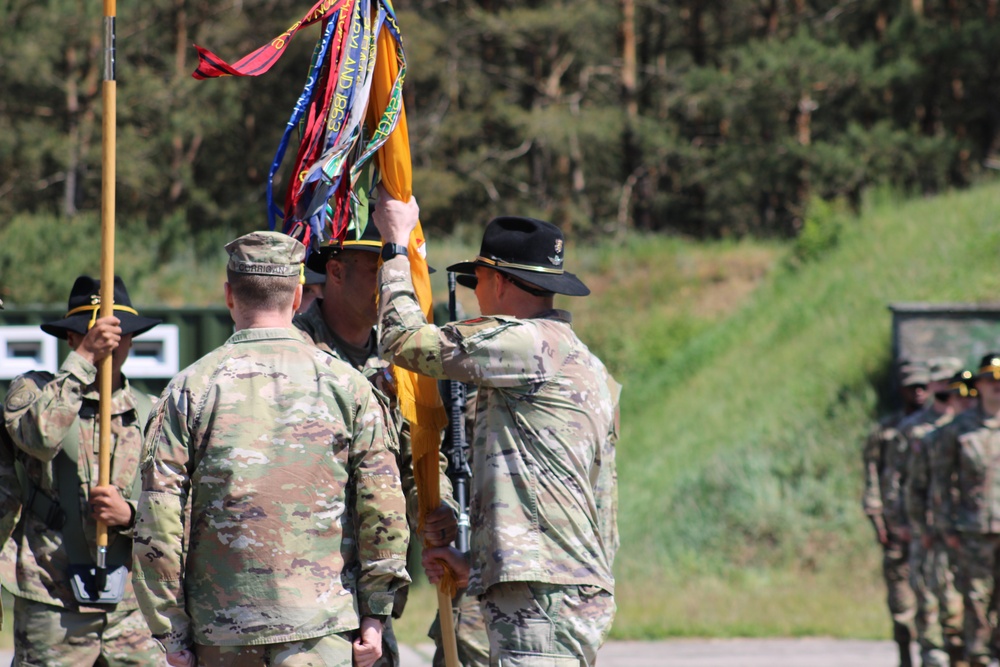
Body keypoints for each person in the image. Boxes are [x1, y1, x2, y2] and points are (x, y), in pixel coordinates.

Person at [131, 231, 411, 667]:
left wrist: (171, 631)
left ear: (229, 295)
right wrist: (375, 613)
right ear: (299, 294)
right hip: (320, 628)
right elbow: (383, 509)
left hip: (220, 632)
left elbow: (157, 521)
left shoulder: (189, 391)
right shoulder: (349, 388)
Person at [372, 194, 620, 667]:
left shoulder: (526, 342)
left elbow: (403, 340)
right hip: (551, 588)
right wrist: (479, 569)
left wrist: (396, 246)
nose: (475, 293)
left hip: (541, 598)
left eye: (479, 279)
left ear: (502, 281)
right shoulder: (578, 361)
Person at [295, 220, 459, 667]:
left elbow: (417, 453)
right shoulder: (292, 354)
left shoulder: (399, 360)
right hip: (303, 589)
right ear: (336, 272)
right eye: (376, 269)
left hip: (373, 593)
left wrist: (435, 506)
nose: (388, 283)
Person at [1, 275, 162, 665]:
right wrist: (84, 362)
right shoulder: (32, 393)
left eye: (116, 334)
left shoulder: (151, 411)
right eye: (92, 334)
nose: (108, 342)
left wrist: (131, 516)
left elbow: (176, 506)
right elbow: (39, 438)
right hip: (52, 597)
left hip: (131, 607)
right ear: (71, 338)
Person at [933, 354, 1000, 667]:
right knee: (976, 600)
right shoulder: (960, 430)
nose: (996, 387)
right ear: (980, 385)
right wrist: (946, 526)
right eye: (990, 380)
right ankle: (977, 657)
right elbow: (943, 482)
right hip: (974, 530)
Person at [863, 359, 929, 667]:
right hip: (895, 528)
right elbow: (872, 476)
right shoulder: (886, 432)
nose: (918, 393)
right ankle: (905, 658)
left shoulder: (937, 429)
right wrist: (877, 519)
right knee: (901, 603)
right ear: (902, 390)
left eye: (923, 386)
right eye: (912, 387)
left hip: (930, 529)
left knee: (936, 599)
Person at [902, 357, 966, 667]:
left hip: (967, 526)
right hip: (928, 524)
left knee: (964, 596)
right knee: (928, 592)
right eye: (941, 381)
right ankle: (932, 653)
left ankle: (962, 651)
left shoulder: (969, 424)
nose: (947, 387)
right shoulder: (915, 429)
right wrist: (912, 524)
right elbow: (905, 481)